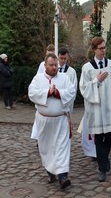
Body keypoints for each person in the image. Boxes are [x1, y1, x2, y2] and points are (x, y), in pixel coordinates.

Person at [79, 36, 111, 182]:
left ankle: (103, 160)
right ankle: (102, 168)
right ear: (94, 50)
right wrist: (96, 81)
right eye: (100, 48)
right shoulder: (87, 68)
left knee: (109, 136)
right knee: (99, 139)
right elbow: (83, 89)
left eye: (105, 48)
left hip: (109, 108)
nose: (104, 51)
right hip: (96, 110)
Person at [28, 53, 76, 189]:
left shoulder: (64, 78)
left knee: (62, 147)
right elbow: (32, 93)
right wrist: (48, 93)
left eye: (56, 65)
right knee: (47, 148)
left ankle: (62, 176)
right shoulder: (38, 79)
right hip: (44, 121)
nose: (55, 67)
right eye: (51, 65)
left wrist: (58, 93)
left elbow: (72, 92)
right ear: (45, 66)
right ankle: (50, 171)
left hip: (61, 120)